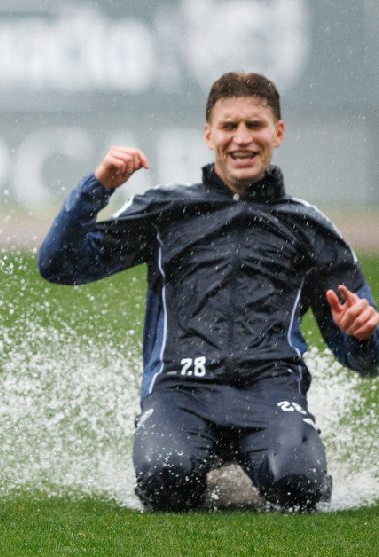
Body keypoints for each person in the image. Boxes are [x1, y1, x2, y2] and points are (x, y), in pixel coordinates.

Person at [39, 71, 379, 512]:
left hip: (270, 391)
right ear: (208, 134)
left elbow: (365, 361)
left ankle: (270, 456)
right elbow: (59, 265)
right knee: (166, 482)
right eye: (229, 126)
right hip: (181, 391)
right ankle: (204, 458)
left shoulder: (310, 227)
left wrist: (364, 334)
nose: (242, 139)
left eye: (254, 125)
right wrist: (96, 188)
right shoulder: (165, 210)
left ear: (278, 132)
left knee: (300, 489)